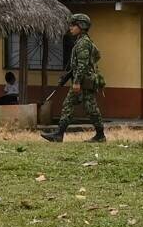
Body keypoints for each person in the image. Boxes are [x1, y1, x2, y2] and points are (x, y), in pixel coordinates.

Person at [40, 14, 106, 143]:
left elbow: (82, 65)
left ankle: (100, 135)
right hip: (81, 79)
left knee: (90, 108)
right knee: (70, 105)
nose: (70, 28)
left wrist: (76, 82)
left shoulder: (83, 43)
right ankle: (59, 134)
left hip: (84, 81)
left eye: (73, 25)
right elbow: (78, 65)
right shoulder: (81, 41)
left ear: (81, 26)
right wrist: (68, 75)